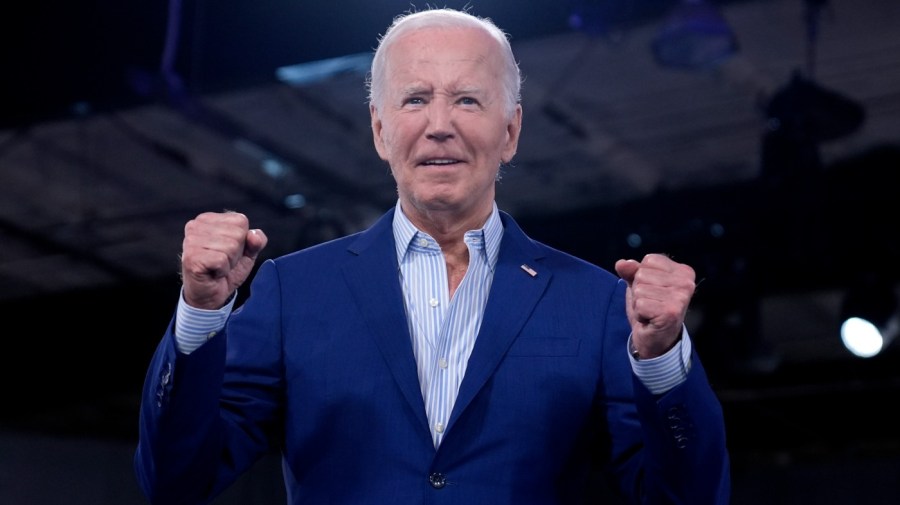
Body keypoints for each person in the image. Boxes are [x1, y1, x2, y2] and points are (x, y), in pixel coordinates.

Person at [134, 7, 731, 504]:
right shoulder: (295, 291)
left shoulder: (596, 302)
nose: (439, 124)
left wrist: (661, 362)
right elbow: (174, 481)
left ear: (511, 132)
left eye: (468, 100)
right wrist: (200, 315)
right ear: (380, 129)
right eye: (415, 99)